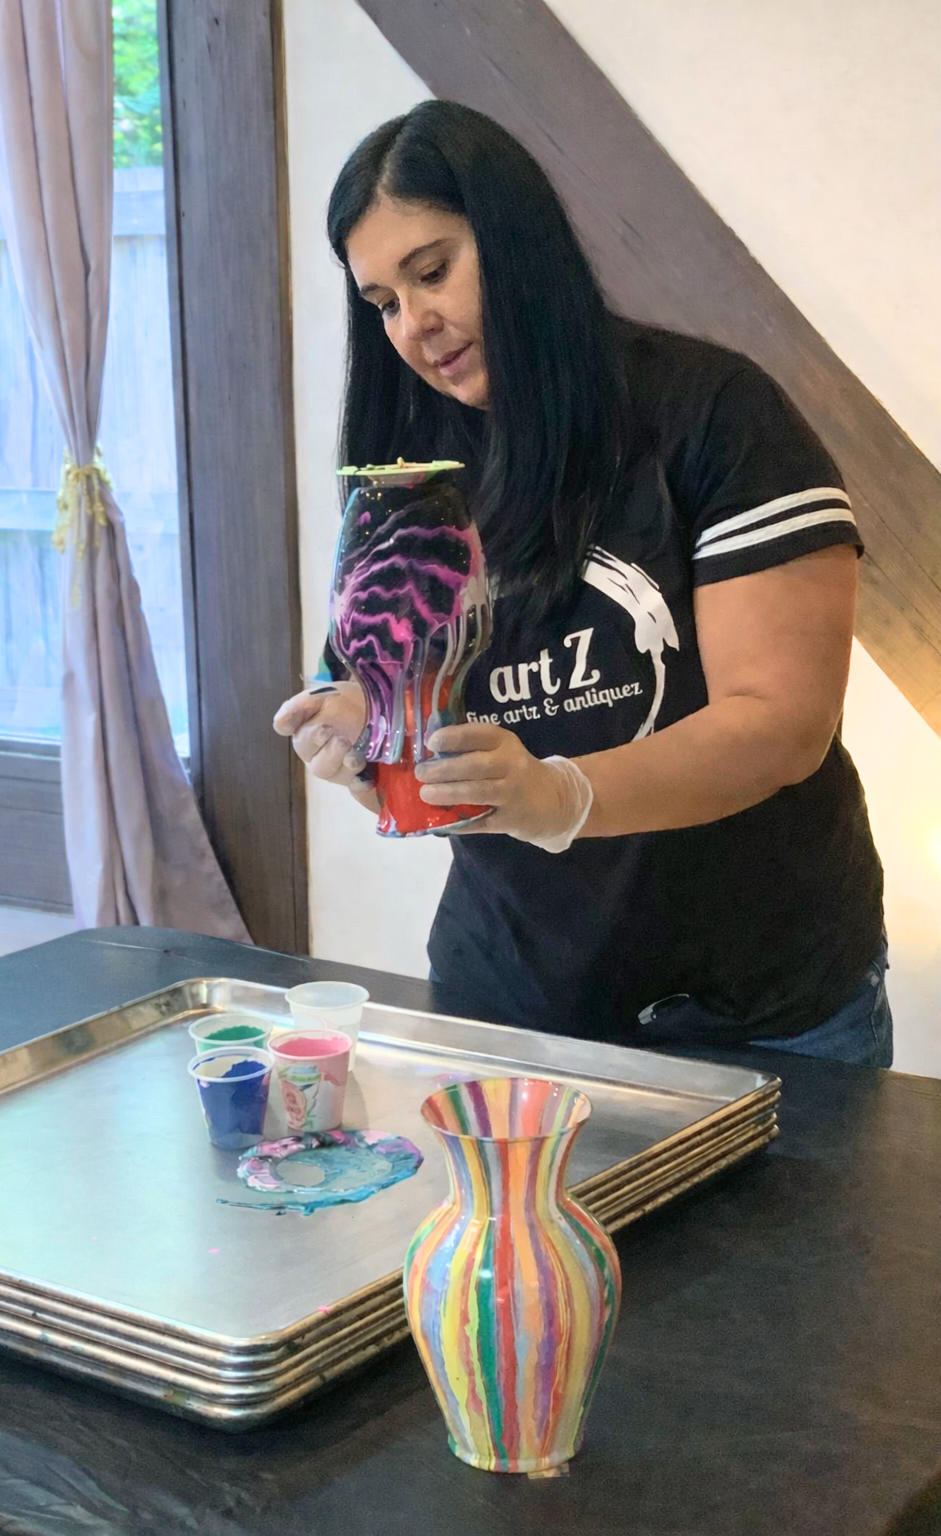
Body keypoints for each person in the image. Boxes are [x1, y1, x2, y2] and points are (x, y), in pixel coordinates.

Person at [274, 101, 890, 1067]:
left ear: (517, 241)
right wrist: (359, 746)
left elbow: (780, 724)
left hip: (759, 1008)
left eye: (433, 271)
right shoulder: (412, 473)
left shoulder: (714, 415)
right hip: (511, 995)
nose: (414, 324)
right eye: (384, 301)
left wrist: (560, 795)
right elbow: (416, 757)